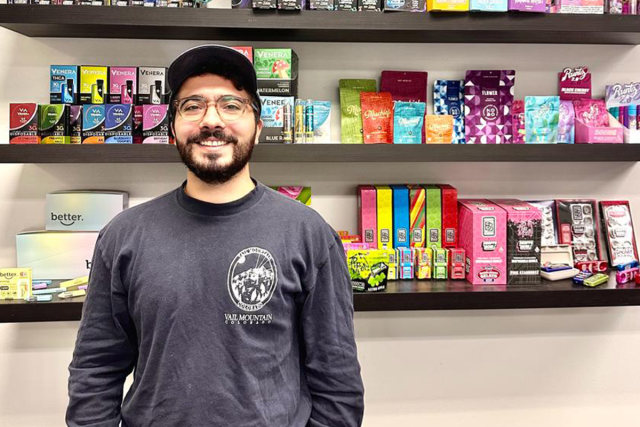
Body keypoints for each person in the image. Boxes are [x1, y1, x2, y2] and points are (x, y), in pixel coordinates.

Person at [66, 45, 365, 427]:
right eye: (192, 106)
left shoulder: (308, 234)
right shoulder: (123, 236)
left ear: (258, 125)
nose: (211, 120)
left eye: (231, 105)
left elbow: (336, 377)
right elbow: (95, 368)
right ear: (172, 126)